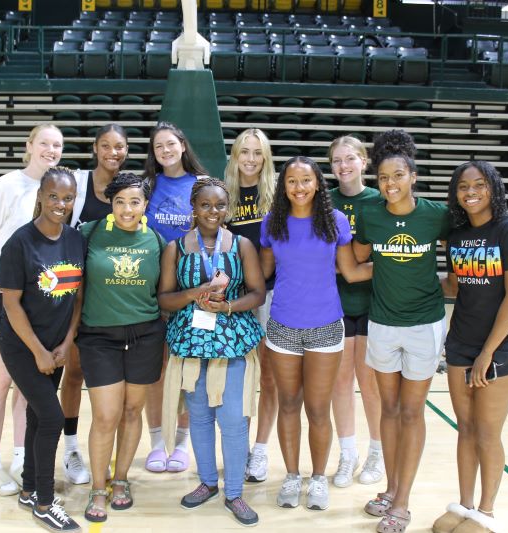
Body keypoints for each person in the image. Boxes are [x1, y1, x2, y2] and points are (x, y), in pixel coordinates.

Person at [259, 156, 372, 511]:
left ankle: (318, 478)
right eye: (291, 181)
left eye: (305, 180)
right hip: (283, 327)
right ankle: (292, 477)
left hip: (325, 325)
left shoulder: (335, 221)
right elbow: (259, 274)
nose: (299, 187)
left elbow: (351, 272)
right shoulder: (272, 223)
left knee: (318, 409)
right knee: (289, 404)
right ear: (283, 187)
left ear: (318, 184)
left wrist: (409, 266)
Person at [354, 130, 450, 533]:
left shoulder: (436, 214)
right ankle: (392, 490)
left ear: (413, 175)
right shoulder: (372, 214)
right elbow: (360, 257)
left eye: (397, 176)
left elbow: (460, 253)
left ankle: (404, 504)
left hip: (424, 324)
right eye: (383, 178)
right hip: (382, 322)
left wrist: (442, 284)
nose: (389, 184)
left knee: (412, 412)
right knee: (389, 410)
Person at [432, 161, 508, 533]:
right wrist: (406, 272)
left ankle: (486, 513)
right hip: (460, 341)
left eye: (478, 184)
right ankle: (464, 505)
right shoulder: (457, 236)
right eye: (463, 186)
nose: (470, 191)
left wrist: (487, 353)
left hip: (501, 349)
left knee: (488, 431)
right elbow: (457, 287)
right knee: (466, 428)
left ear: (493, 188)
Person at [159, 178, 265, 526]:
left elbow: (257, 293)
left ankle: (234, 492)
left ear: (227, 209)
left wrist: (230, 306)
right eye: (205, 205)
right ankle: (207, 482)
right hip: (191, 341)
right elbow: (165, 299)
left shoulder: (242, 245)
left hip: (232, 338)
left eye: (219, 205)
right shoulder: (176, 247)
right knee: (200, 417)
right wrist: (197, 293)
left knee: (233, 419)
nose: (212, 211)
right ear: (194, 207)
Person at [0, 124, 63, 496]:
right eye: (44, 143)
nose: (50, 150)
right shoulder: (3, 187)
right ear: (29, 146)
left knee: (28, 386)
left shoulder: (58, 191)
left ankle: (23, 455)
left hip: (38, 298)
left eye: (57, 145)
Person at [77, 173, 167, 523]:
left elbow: (165, 291)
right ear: (110, 204)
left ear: (145, 205)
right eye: (120, 202)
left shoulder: (157, 240)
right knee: (105, 416)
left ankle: (121, 480)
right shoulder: (90, 233)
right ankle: (98, 487)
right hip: (99, 337)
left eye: (134, 202)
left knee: (132, 411)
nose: (127, 209)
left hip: (145, 335)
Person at [0, 167, 83, 532]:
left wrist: (65, 343)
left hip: (56, 345)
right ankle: (45, 504)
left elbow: (77, 297)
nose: (60, 204)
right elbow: (11, 305)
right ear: (41, 197)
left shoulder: (76, 240)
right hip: (22, 346)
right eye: (53, 196)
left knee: (37, 416)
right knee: (51, 418)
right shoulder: (19, 243)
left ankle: (30, 488)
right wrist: (38, 351)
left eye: (67, 198)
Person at [60, 123, 129, 485]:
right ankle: (70, 447)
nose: (113, 153)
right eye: (106, 146)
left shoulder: (130, 188)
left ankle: (112, 455)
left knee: (113, 385)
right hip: (77, 296)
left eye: (119, 147)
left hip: (115, 299)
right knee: (73, 374)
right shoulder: (77, 181)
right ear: (95, 148)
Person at [142, 121, 209, 473]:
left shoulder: (201, 185)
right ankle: (156, 442)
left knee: (187, 371)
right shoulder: (147, 186)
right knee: (156, 371)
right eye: (158, 147)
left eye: (171, 144)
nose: (165, 151)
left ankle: (182, 444)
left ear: (182, 145)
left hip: (191, 291)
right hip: (152, 289)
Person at [327, 136, 385, 488]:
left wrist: (349, 264)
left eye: (350, 159)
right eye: (336, 161)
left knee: (371, 384)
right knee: (340, 382)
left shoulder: (379, 200)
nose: (343, 166)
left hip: (373, 303)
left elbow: (387, 255)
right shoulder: (324, 201)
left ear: (364, 162)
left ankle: (376, 452)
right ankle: (347, 454)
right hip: (334, 303)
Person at [224, 128, 278, 483]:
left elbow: (274, 252)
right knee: (237, 376)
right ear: (235, 156)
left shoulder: (276, 196)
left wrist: (256, 285)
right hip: (233, 295)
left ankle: (260, 450)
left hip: (271, 294)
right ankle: (238, 446)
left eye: (258, 153)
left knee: (270, 377)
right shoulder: (223, 194)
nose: (251, 159)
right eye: (245, 152)